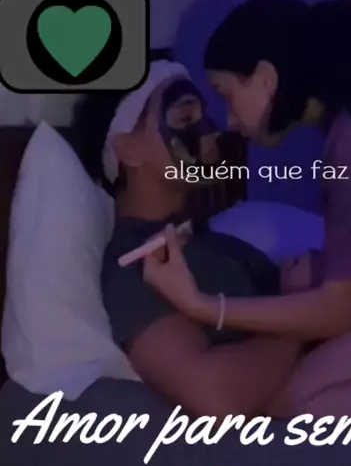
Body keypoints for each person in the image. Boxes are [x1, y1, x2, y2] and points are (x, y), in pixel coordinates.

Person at [139, 0, 351, 420]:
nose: (229, 121)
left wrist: (203, 305)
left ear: (266, 78)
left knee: (300, 401)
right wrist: (332, 272)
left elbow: (339, 312)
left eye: (227, 95)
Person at [73, 59, 303, 420]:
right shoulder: (140, 264)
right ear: (129, 150)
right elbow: (214, 394)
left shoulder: (208, 240)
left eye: (203, 115)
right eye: (184, 118)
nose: (211, 132)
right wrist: (301, 315)